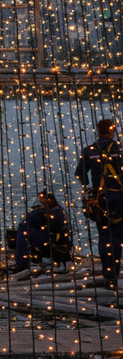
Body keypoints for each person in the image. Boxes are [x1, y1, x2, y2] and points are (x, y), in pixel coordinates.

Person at [75, 119, 123, 290]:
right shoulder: (120, 149)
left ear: (98, 130)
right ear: (113, 131)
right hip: (118, 199)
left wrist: (89, 189)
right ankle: (114, 273)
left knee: (104, 236)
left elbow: (80, 173)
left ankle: (108, 274)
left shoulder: (89, 150)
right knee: (117, 237)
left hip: (99, 201)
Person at [13, 192, 69, 271]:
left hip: (50, 239)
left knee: (24, 229)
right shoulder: (42, 211)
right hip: (44, 235)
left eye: (44, 199)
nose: (42, 201)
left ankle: (21, 263)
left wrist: (42, 215)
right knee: (23, 229)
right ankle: (21, 261)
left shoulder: (56, 213)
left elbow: (53, 226)